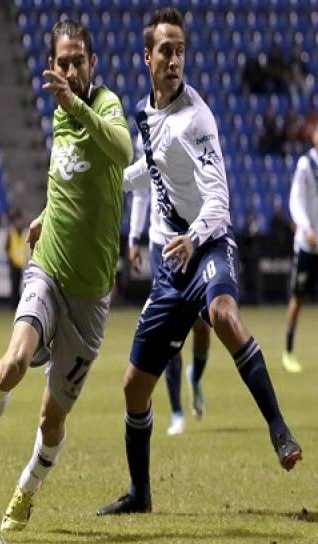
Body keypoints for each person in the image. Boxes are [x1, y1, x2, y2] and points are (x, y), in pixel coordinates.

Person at [97, 8, 302, 516]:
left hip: (208, 245)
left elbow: (219, 200)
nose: (173, 58)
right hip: (171, 266)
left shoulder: (198, 117)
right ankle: (141, 495)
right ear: (147, 57)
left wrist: (192, 238)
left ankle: (279, 430)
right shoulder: (145, 117)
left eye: (180, 50)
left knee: (224, 316)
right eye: (165, 50)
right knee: (132, 387)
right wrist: (111, 177)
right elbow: (152, 169)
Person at [0, 19, 133, 531]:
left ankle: (27, 486)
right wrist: (48, 212)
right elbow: (66, 176)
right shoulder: (60, 115)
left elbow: (122, 150)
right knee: (16, 360)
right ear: (53, 65)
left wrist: (77, 105)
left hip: (91, 295)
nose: (69, 69)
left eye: (78, 61)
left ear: (92, 64)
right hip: (48, 268)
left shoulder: (102, 106)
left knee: (52, 418)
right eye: (62, 62)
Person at [129, 136, 209, 435]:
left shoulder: (192, 123)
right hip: (161, 243)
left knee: (202, 326)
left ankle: (196, 376)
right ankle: (177, 412)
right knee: (169, 331)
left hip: (194, 240)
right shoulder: (145, 132)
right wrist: (134, 237)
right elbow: (141, 189)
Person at [282, 120, 318, 373]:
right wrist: (306, 229)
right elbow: (295, 200)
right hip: (307, 246)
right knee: (297, 298)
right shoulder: (307, 165)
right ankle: (288, 350)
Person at [5, 210, 27, 308]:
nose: (19, 223)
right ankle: (13, 305)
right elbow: (7, 248)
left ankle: (18, 305)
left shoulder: (24, 233)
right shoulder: (11, 233)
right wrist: (10, 259)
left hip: (21, 263)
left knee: (20, 286)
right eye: (17, 221)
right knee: (14, 285)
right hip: (13, 264)